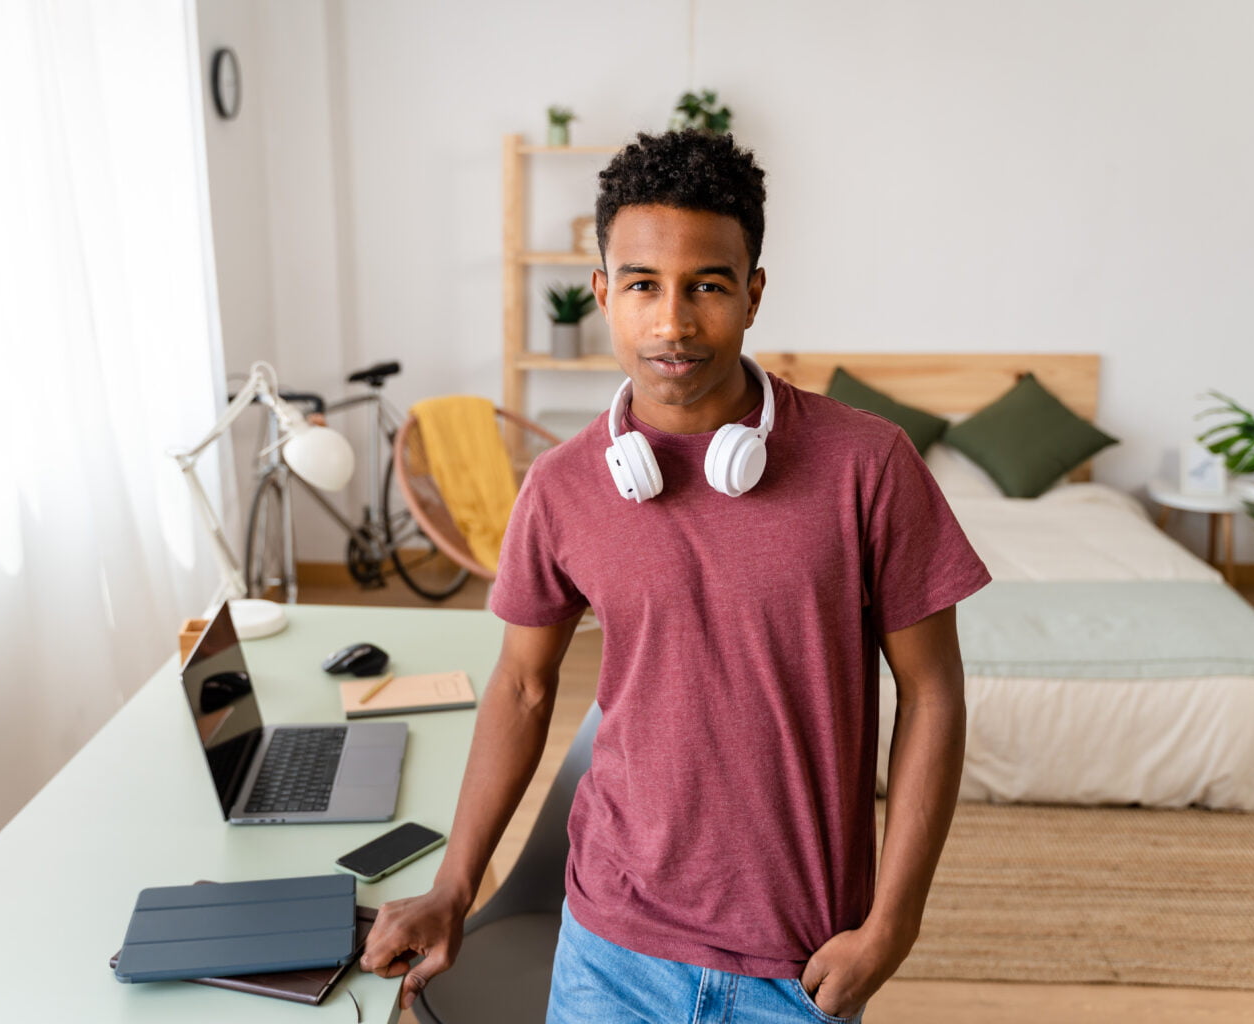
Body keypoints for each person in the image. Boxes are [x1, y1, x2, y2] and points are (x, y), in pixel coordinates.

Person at [361, 128, 990, 1022]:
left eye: (707, 286)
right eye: (644, 286)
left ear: (754, 293)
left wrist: (894, 924)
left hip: (804, 961)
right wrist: (453, 887)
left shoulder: (869, 465)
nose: (673, 323)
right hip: (608, 948)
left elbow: (933, 694)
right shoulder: (564, 487)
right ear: (602, 293)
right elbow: (523, 687)